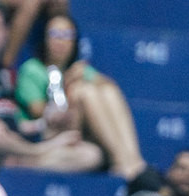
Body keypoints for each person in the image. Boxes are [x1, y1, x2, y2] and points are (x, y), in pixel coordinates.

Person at [0, 5, 99, 172]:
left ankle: (26, 163)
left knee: (91, 154)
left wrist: (44, 124)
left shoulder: (9, 72)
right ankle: (36, 154)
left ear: (6, 32)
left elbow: (20, 122)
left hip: (17, 142)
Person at [15, 15, 145, 181]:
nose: (61, 41)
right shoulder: (33, 69)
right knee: (82, 92)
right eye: (55, 34)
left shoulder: (75, 69)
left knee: (104, 91)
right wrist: (68, 88)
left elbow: (111, 90)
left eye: (67, 35)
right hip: (46, 133)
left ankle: (133, 161)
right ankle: (123, 163)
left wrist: (89, 76)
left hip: (78, 133)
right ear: (45, 39)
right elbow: (36, 110)